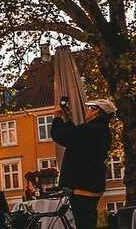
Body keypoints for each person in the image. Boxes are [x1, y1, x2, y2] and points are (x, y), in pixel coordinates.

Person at [51, 98, 115, 229]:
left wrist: (57, 117)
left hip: (81, 184)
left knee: (84, 223)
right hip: (94, 184)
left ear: (97, 112)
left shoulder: (88, 130)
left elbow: (59, 135)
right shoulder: (103, 131)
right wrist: (68, 120)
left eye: (91, 109)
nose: (88, 111)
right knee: (89, 221)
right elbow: (76, 139)